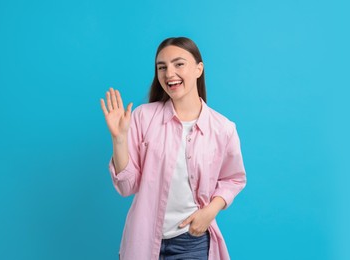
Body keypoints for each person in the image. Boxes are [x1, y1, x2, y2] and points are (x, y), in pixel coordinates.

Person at [100, 37, 246, 260]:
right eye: (162, 67)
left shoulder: (223, 128)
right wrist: (119, 139)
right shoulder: (143, 117)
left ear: (199, 69)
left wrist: (210, 211)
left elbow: (234, 179)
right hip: (143, 240)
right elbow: (127, 187)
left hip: (193, 241)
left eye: (179, 64)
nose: (169, 74)